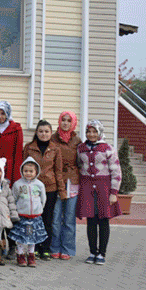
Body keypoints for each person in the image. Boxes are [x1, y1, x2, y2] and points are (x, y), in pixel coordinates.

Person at [76, 120, 121, 265]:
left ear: (100, 132)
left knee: (103, 220)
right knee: (91, 221)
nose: (91, 134)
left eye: (94, 131)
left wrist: (113, 192)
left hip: (104, 188)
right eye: (89, 131)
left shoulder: (108, 148)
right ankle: (92, 252)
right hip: (87, 188)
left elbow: (116, 171)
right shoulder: (80, 148)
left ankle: (102, 253)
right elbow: (78, 165)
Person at [23, 120, 64, 261]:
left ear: (51, 132)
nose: (43, 134)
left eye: (46, 131)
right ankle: (31, 248)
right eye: (41, 131)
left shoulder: (55, 149)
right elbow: (23, 168)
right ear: (36, 132)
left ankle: (45, 248)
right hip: (31, 188)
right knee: (32, 219)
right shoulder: (29, 148)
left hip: (49, 188)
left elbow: (58, 171)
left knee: (47, 219)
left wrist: (62, 190)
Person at [50, 111, 82, 259]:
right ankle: (54, 247)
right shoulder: (53, 138)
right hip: (56, 181)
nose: (65, 123)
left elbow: (81, 162)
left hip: (72, 181)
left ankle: (67, 249)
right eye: (63, 120)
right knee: (55, 218)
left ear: (73, 123)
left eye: (69, 121)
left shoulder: (77, 141)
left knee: (69, 219)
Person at [9, 158, 49, 267]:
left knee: (32, 238)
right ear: (22, 171)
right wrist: (16, 211)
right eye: (25, 171)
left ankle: (31, 255)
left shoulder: (40, 184)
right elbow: (13, 198)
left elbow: (43, 199)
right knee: (21, 238)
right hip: (22, 217)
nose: (28, 173)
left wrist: (39, 209)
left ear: (36, 172)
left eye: (31, 171)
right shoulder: (18, 184)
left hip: (34, 217)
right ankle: (20, 255)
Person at [0, 101, 24, 183]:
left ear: (8, 114)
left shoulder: (16, 130)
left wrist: (17, 176)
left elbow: (18, 153)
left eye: (3, 113)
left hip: (10, 168)